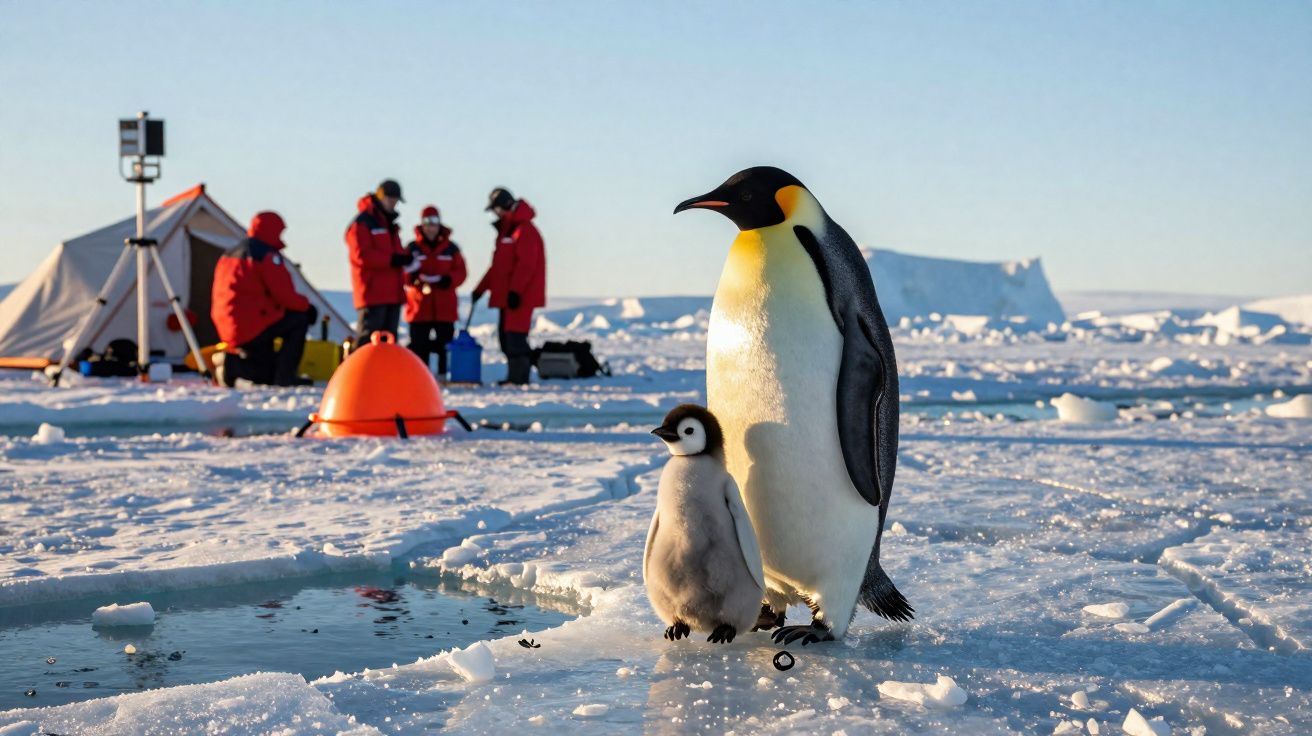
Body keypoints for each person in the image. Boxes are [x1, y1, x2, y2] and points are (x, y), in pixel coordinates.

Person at [211, 211, 317, 386]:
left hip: (230, 325)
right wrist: (307, 307)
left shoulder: (229, 254)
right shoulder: (266, 255)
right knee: (299, 319)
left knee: (265, 373)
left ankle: (233, 366)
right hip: (253, 324)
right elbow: (284, 295)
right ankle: (285, 376)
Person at [471, 187, 546, 385]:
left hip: (519, 297)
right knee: (506, 338)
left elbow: (526, 265)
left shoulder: (524, 230)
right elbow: (498, 268)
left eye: (496, 209)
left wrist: (516, 291)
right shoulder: (508, 232)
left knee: (515, 338)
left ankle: (519, 378)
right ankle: (515, 377)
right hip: (508, 296)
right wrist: (480, 289)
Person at [345, 179, 415, 347]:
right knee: (367, 340)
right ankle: (358, 373)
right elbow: (360, 255)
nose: (394, 204)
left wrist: (406, 257)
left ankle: (385, 373)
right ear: (381, 197)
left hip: (393, 294)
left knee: (388, 343)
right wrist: (392, 259)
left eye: (396, 201)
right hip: (373, 294)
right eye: (391, 200)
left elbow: (395, 252)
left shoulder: (390, 225)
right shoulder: (363, 223)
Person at [404, 205, 467, 376]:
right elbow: (403, 272)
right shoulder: (412, 249)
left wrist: (449, 280)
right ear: (422, 225)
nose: (431, 227)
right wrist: (414, 278)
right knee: (419, 346)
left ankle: (443, 374)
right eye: (427, 223)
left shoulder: (451, 249)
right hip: (420, 308)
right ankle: (419, 377)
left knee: (444, 345)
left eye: (434, 223)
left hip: (444, 308)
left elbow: (461, 272)